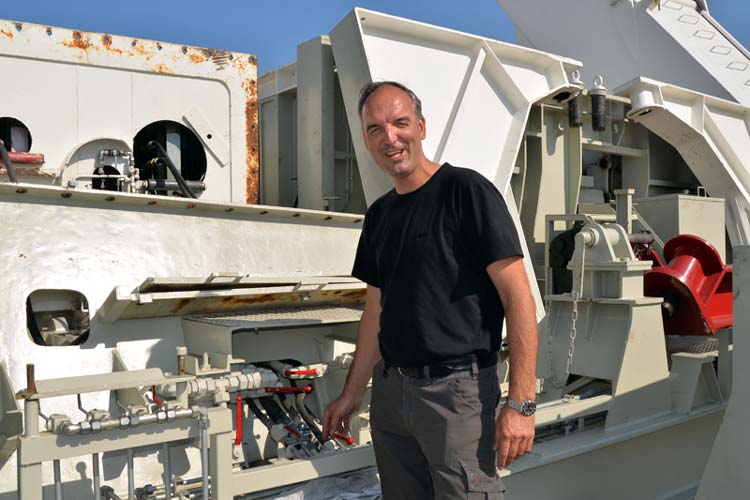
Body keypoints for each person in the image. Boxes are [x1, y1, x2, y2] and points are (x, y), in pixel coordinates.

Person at [322, 81, 538, 500]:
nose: (390, 138)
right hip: (390, 395)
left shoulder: (466, 192)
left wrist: (521, 405)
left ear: (421, 126)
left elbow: (518, 298)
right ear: (366, 140)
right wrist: (352, 393)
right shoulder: (380, 215)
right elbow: (375, 312)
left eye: (400, 123)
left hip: (457, 396)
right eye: (375, 129)